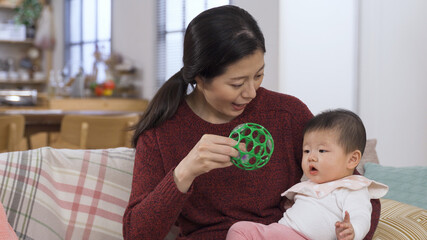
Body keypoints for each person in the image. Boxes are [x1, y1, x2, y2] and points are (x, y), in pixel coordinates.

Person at [122, 5, 381, 240]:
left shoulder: (287, 113)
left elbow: (355, 189)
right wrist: (184, 172)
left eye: (258, 75)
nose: (251, 93)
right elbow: (137, 234)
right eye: (236, 83)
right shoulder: (161, 133)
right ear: (199, 79)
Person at [226, 109, 388, 240]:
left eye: (322, 150)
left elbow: (361, 216)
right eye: (307, 150)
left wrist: (352, 231)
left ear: (352, 159)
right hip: (278, 232)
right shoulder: (309, 186)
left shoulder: (351, 188)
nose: (311, 156)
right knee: (239, 229)